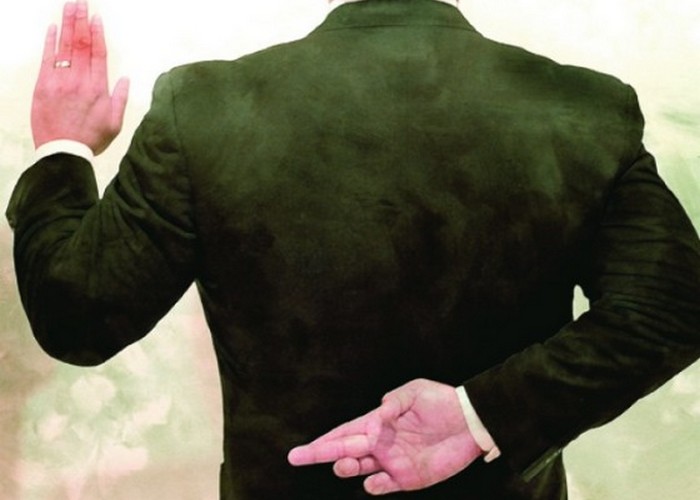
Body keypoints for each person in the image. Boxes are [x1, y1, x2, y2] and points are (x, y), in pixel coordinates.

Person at [6, 0, 700, 498]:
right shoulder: (581, 108)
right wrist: (481, 415)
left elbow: (79, 316)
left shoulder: (205, 107)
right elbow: (674, 306)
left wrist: (62, 147)